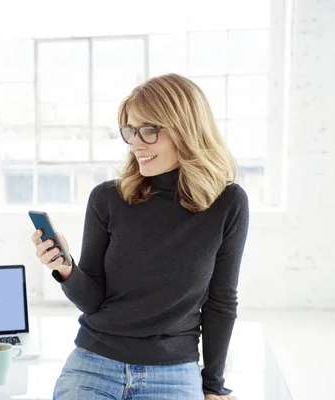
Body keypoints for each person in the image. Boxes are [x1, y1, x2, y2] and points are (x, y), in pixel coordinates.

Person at [31, 73, 249, 400]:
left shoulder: (227, 203)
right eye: (130, 131)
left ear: (186, 130)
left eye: (149, 130)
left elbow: (221, 303)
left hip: (173, 370)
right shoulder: (107, 198)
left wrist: (213, 385)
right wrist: (66, 270)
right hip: (94, 363)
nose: (135, 144)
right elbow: (92, 299)